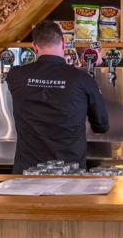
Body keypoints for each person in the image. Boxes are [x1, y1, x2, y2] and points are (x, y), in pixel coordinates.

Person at [6, 21, 109, 174]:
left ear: (34, 46)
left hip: (27, 173)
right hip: (70, 173)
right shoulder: (82, 79)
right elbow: (101, 126)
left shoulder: (16, 75)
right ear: (64, 43)